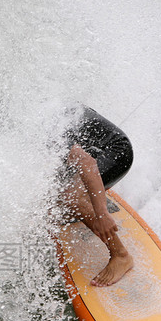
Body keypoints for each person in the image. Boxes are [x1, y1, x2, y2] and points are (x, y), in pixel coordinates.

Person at [57, 106, 135, 287]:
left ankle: (121, 256)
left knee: (71, 197)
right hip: (94, 150)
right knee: (57, 191)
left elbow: (86, 162)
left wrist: (101, 214)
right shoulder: (45, 108)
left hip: (118, 154)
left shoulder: (52, 125)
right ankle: (89, 196)